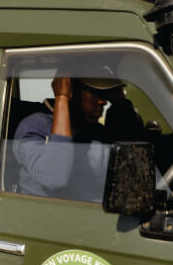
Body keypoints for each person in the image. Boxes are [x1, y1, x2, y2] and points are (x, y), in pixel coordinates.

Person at [13, 77, 144, 200]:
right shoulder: (34, 126)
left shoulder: (97, 132)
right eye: (95, 92)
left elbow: (135, 169)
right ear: (72, 91)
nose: (103, 101)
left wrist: (120, 102)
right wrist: (62, 98)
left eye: (105, 94)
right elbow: (55, 178)